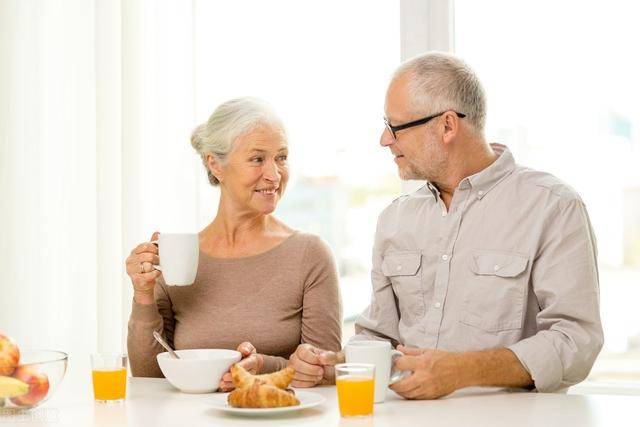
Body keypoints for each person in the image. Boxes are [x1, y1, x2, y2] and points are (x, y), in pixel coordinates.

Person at [289, 52, 603, 397]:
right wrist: (334, 365)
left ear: (447, 125)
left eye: (395, 127)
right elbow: (379, 338)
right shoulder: (394, 219)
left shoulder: (552, 206)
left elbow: (576, 342)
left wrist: (463, 371)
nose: (384, 139)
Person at [126, 97, 342, 390]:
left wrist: (264, 366)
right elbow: (149, 377)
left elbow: (326, 372)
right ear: (215, 165)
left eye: (281, 157)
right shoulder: (179, 256)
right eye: (257, 159)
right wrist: (143, 295)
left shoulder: (310, 254)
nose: (275, 174)